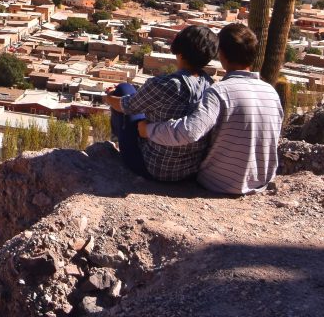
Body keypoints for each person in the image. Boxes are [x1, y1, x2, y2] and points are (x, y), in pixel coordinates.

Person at [139, 23, 283, 195]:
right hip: (261, 181)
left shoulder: (220, 91)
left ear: (221, 54)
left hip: (219, 183)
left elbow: (189, 132)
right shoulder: (271, 92)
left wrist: (148, 130)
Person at [104, 25, 216, 181]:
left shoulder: (164, 84)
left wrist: (109, 97)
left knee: (123, 89)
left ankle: (118, 141)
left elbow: (126, 106)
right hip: (189, 172)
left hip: (153, 168)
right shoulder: (211, 86)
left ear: (180, 51)